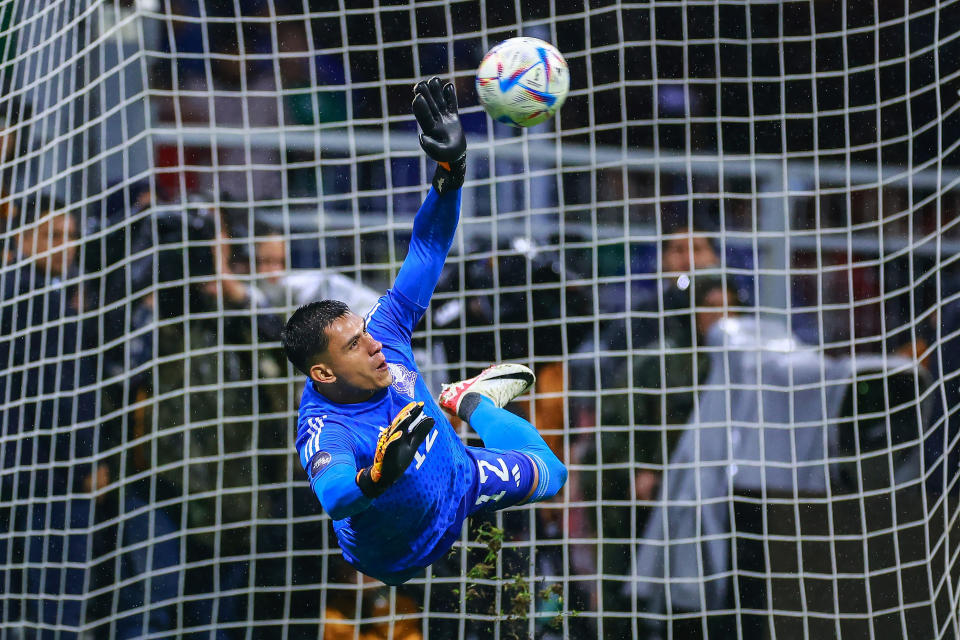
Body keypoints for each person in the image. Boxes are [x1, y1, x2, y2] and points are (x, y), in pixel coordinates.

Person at [280, 77, 567, 585]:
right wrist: (375, 477)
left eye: (365, 332)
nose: (374, 345)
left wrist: (451, 173)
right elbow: (335, 495)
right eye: (354, 345)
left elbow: (427, 250)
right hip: (396, 556)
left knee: (553, 475)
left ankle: (471, 402)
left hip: (459, 480)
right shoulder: (324, 426)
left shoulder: (385, 333)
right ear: (323, 371)